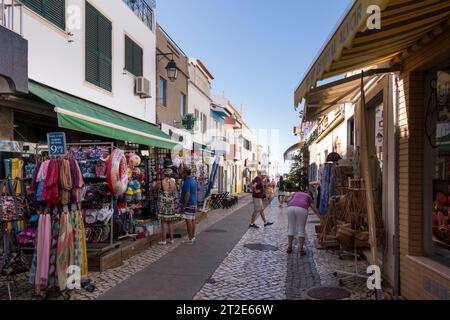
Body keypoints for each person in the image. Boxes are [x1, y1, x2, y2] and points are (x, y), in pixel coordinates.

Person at [285, 190, 320, 255]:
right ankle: (301, 250)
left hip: (290, 208)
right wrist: (320, 216)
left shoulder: (295, 193)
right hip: (302, 209)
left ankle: (289, 248)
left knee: (291, 228)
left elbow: (288, 200)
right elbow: (313, 208)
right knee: (301, 228)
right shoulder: (308, 196)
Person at [153, 168, 179, 245]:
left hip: (163, 203)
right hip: (170, 203)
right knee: (170, 222)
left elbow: (154, 188)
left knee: (163, 222)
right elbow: (175, 193)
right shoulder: (173, 182)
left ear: (164, 174)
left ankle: (164, 240)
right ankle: (171, 239)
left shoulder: (161, 182)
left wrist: (155, 185)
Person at [180, 168, 197, 244]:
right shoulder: (193, 180)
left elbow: (187, 194)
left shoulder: (187, 182)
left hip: (189, 203)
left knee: (188, 221)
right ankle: (192, 237)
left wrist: (184, 205)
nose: (182, 175)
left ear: (185, 173)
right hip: (193, 202)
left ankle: (190, 238)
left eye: (182, 173)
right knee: (192, 220)